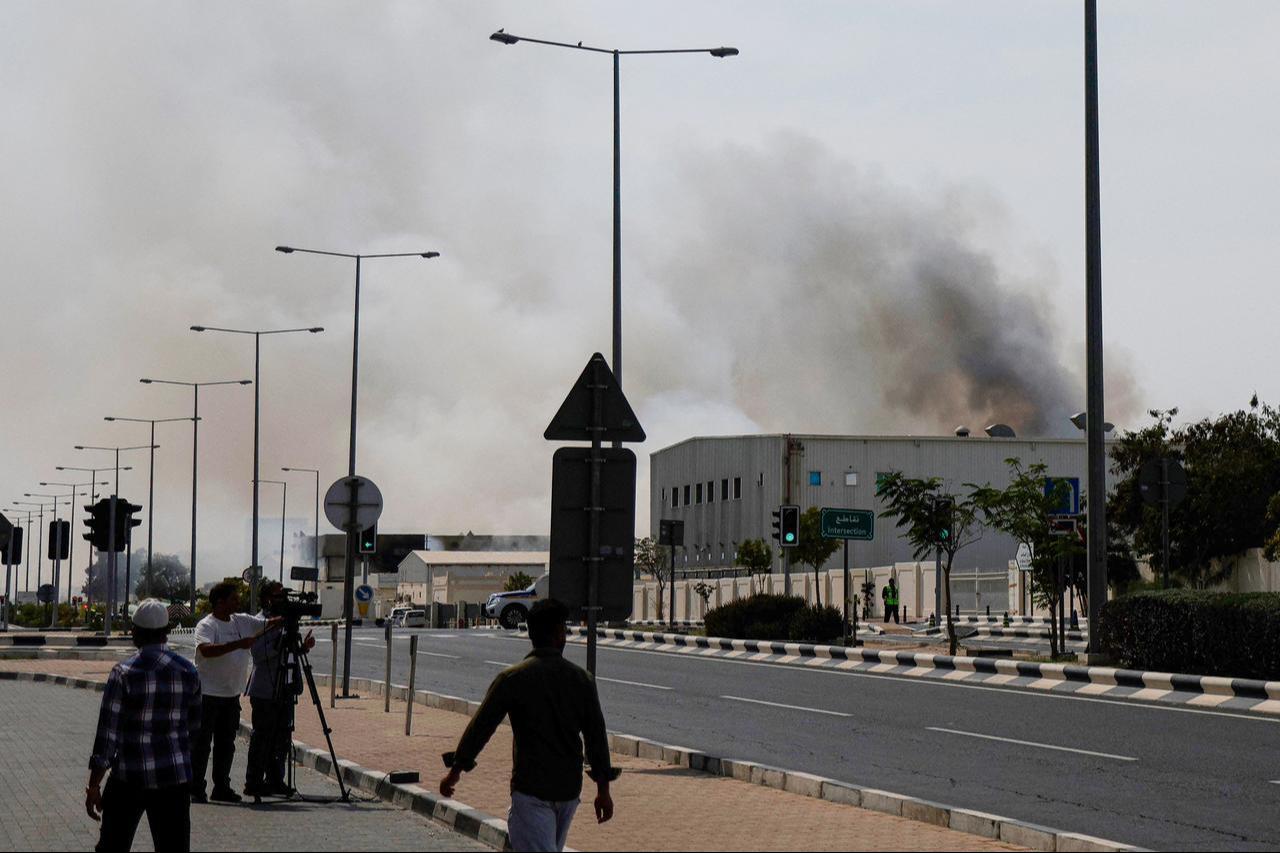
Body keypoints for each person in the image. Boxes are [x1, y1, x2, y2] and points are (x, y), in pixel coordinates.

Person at [439, 598, 617, 852]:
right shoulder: (581, 679)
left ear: (531, 635)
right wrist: (603, 790)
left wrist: (455, 772)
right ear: (559, 635)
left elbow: (481, 728)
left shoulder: (512, 678)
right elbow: (596, 738)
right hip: (568, 790)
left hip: (531, 790)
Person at [86, 599, 202, 852]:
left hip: (129, 777)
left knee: (112, 846)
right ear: (166, 631)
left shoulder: (124, 672)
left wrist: (94, 785)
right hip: (174, 778)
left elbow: (108, 736)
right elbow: (194, 729)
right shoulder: (188, 670)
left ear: (135, 632)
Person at [190, 580, 278, 804]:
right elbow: (206, 650)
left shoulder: (241, 621)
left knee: (226, 744)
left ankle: (222, 787)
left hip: (231, 694)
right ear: (220, 602)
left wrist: (286, 615)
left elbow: (266, 623)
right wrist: (238, 644)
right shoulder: (207, 625)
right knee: (202, 744)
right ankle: (196, 788)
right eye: (234, 599)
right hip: (208, 694)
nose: (238, 602)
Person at [244, 582, 314, 798]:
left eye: (284, 595)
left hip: (285, 686)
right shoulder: (258, 621)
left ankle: (276, 781)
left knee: (282, 738)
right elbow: (258, 654)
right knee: (262, 738)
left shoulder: (286, 620)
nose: (282, 600)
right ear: (267, 599)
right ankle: (253, 782)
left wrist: (302, 647)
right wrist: (279, 639)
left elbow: (288, 651)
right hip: (265, 688)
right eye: (277, 595)